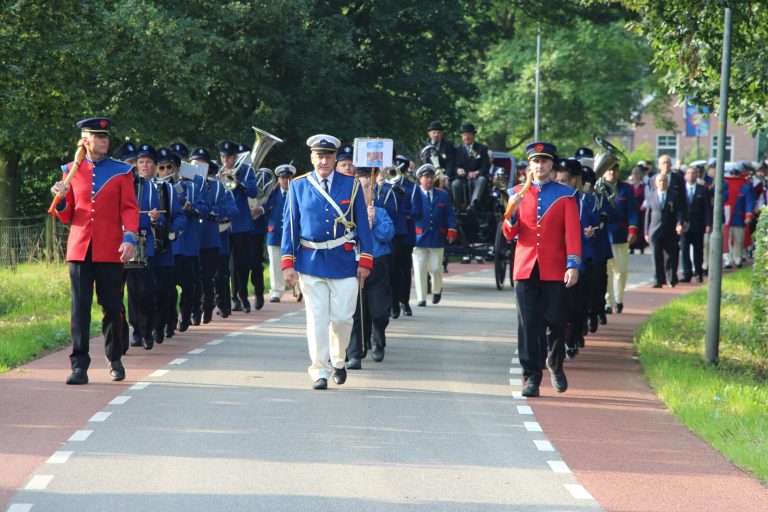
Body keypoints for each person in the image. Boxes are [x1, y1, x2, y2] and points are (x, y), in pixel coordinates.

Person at [281, 134, 374, 390]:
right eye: (319, 156)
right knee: (317, 318)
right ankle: (319, 370)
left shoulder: (351, 185)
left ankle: (339, 359)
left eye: (328, 156)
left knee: (343, 318)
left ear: (335, 158)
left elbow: (363, 226)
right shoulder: (299, 186)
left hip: (343, 260)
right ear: (311, 158)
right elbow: (289, 225)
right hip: (310, 261)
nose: (323, 161)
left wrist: (366, 259)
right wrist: (288, 263)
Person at [51, 117, 138, 384]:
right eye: (98, 137)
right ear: (85, 140)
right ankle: (79, 366)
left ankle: (115, 359)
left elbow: (129, 209)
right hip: (80, 249)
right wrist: (61, 197)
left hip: (111, 249)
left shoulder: (122, 171)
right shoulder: (71, 170)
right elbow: (66, 215)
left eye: (106, 137)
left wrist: (130, 238)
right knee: (80, 308)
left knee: (112, 306)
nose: (104, 140)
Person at [502, 142, 581, 397]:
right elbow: (508, 233)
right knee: (528, 325)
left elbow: (573, 234)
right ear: (529, 165)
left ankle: (555, 364)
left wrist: (573, 264)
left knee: (557, 322)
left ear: (551, 165)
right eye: (535, 162)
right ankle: (531, 377)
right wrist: (511, 212)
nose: (539, 166)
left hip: (555, 268)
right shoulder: (516, 191)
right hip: (525, 267)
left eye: (544, 161)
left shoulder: (566, 195)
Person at [346, 167, 395, 369]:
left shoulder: (380, 212)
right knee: (354, 311)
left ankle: (378, 335)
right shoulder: (347, 212)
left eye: (367, 187)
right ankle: (355, 353)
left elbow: (388, 235)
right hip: (353, 264)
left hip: (378, 264)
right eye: (360, 187)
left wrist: (373, 222)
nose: (364, 190)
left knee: (379, 311)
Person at [126, 144, 163, 350]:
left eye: (147, 162)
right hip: (126, 241)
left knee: (146, 291)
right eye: (140, 162)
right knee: (132, 290)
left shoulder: (151, 187)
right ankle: (136, 331)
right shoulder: (127, 184)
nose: (143, 166)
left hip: (143, 241)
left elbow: (160, 217)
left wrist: (155, 219)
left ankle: (147, 330)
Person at [151, 148, 187, 343]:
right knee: (150, 290)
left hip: (172, 245)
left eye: (169, 167)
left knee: (168, 289)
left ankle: (168, 322)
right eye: (162, 167)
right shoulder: (148, 187)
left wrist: (172, 232)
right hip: (149, 245)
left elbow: (181, 215)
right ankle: (152, 326)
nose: (165, 171)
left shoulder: (178, 188)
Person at [219, 140, 259, 312]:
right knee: (226, 265)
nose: (226, 161)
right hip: (224, 225)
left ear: (235, 157)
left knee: (243, 263)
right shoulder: (217, 173)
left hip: (242, 223)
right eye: (223, 157)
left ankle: (243, 295)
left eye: (229, 157)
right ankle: (232, 298)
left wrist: (238, 181)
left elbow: (253, 192)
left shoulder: (247, 170)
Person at [412, 164, 457, 306]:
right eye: (426, 177)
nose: (429, 180)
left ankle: (437, 290)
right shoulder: (414, 193)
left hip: (437, 237)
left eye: (431, 177)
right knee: (419, 269)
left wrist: (452, 229)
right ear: (420, 179)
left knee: (436, 268)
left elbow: (450, 214)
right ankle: (421, 298)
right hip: (418, 238)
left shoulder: (442, 194)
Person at [387, 155, 422, 318]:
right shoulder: (386, 184)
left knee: (404, 269)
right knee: (391, 270)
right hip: (389, 233)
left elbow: (416, 212)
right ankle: (392, 303)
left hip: (405, 234)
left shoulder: (411, 187)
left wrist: (400, 213)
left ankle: (404, 301)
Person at [604, 164, 638, 314]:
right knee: (606, 272)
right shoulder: (598, 187)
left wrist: (633, 229)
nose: (611, 173)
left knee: (621, 271)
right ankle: (608, 302)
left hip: (620, 235)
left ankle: (619, 300)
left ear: (618, 171)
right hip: (603, 235)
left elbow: (632, 210)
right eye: (609, 170)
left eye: (614, 170)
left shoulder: (626, 188)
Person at [645, 173, 685, 287]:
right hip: (655, 230)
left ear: (667, 182)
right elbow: (648, 214)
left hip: (670, 230)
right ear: (656, 183)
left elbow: (679, 212)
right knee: (656, 256)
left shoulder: (675, 195)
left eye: (664, 181)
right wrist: (646, 232)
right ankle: (657, 280)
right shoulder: (651, 196)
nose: (662, 183)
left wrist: (679, 223)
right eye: (660, 181)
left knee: (671, 256)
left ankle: (671, 278)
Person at [264, 163, 295, 302]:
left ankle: (297, 288)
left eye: (288, 178)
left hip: (294, 234)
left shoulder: (297, 192)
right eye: (282, 178)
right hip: (275, 233)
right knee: (275, 264)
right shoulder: (271, 193)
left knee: (296, 262)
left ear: (292, 178)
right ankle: (276, 291)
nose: (285, 180)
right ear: (278, 179)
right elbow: (263, 207)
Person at [680, 165, 712, 283]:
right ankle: (686, 273)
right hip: (684, 226)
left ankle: (698, 272)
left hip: (698, 225)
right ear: (685, 176)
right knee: (684, 250)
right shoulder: (681, 190)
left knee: (698, 250)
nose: (691, 175)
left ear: (697, 175)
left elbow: (708, 208)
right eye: (689, 173)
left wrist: (708, 224)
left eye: (693, 173)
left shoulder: (703, 190)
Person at [451, 122, 491, 212]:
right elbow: (455, 165)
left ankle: (473, 204)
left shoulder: (482, 148)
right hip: (463, 178)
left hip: (476, 178)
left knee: (482, 180)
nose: (466, 137)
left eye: (469, 135)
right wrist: (458, 170)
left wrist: (477, 172)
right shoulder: (457, 149)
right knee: (455, 184)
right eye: (464, 135)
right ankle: (456, 208)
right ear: (461, 136)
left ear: (473, 136)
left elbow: (486, 166)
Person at [724, 163, 755, 269]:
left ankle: (737, 258)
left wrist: (748, 214)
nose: (733, 175)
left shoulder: (746, 185)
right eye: (732, 172)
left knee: (738, 238)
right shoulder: (724, 183)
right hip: (726, 214)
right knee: (726, 238)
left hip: (739, 215)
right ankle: (727, 259)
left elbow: (749, 201)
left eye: (736, 172)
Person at [421, 121, 456, 188]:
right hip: (428, 175)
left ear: (442, 134)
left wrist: (446, 176)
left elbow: (450, 162)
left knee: (447, 186)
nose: (436, 135)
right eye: (434, 133)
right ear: (429, 134)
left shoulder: (448, 145)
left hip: (444, 175)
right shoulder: (424, 146)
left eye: (438, 133)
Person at [629, 165, 648, 254]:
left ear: (640, 175)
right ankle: (632, 247)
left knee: (641, 228)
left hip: (641, 209)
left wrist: (643, 206)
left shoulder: (644, 186)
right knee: (633, 227)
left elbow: (647, 198)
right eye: (634, 174)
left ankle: (641, 247)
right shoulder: (630, 186)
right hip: (632, 209)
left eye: (638, 174)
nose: (636, 176)